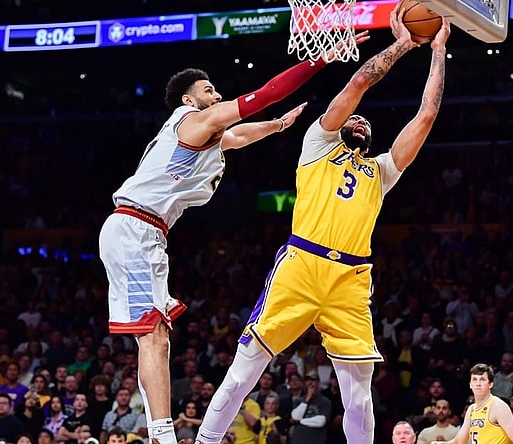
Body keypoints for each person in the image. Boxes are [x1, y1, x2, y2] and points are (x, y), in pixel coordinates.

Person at [195, 5, 450, 444]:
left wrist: (438, 52)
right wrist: (405, 44)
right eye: (354, 117)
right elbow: (358, 83)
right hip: (302, 264)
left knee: (360, 397)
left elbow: (426, 115)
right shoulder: (317, 145)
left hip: (351, 278)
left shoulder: (382, 171)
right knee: (245, 370)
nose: (359, 119)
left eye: (366, 121)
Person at [98, 33, 365, 444]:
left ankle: (159, 431)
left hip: (145, 231)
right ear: (189, 101)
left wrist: (278, 126)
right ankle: (162, 435)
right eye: (209, 90)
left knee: (155, 337)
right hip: (134, 227)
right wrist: (320, 61)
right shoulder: (193, 121)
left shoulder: (207, 137)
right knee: (153, 335)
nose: (216, 94)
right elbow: (262, 95)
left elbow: (240, 135)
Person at [432, 363, 513, 444]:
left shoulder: (498, 406)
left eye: (482, 379)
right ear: (470, 384)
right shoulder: (471, 410)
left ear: (490, 384)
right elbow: (459, 441)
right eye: (475, 379)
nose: (478, 383)